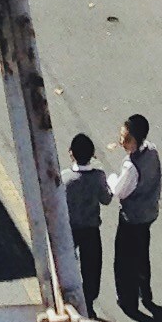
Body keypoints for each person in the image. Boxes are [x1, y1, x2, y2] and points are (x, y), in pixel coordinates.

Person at [111, 113, 162, 318]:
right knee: (142, 253)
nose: (122, 142)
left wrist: (112, 178)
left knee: (124, 261)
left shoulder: (131, 166)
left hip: (132, 217)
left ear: (137, 139)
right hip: (149, 212)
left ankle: (127, 300)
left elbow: (120, 191)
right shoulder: (152, 151)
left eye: (126, 139)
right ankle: (145, 291)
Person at [64, 130, 109, 311]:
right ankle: (88, 302)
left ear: (71, 153)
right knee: (92, 267)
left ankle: (70, 300)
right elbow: (106, 199)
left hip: (71, 229)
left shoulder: (65, 178)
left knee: (68, 264)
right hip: (91, 229)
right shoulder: (98, 176)